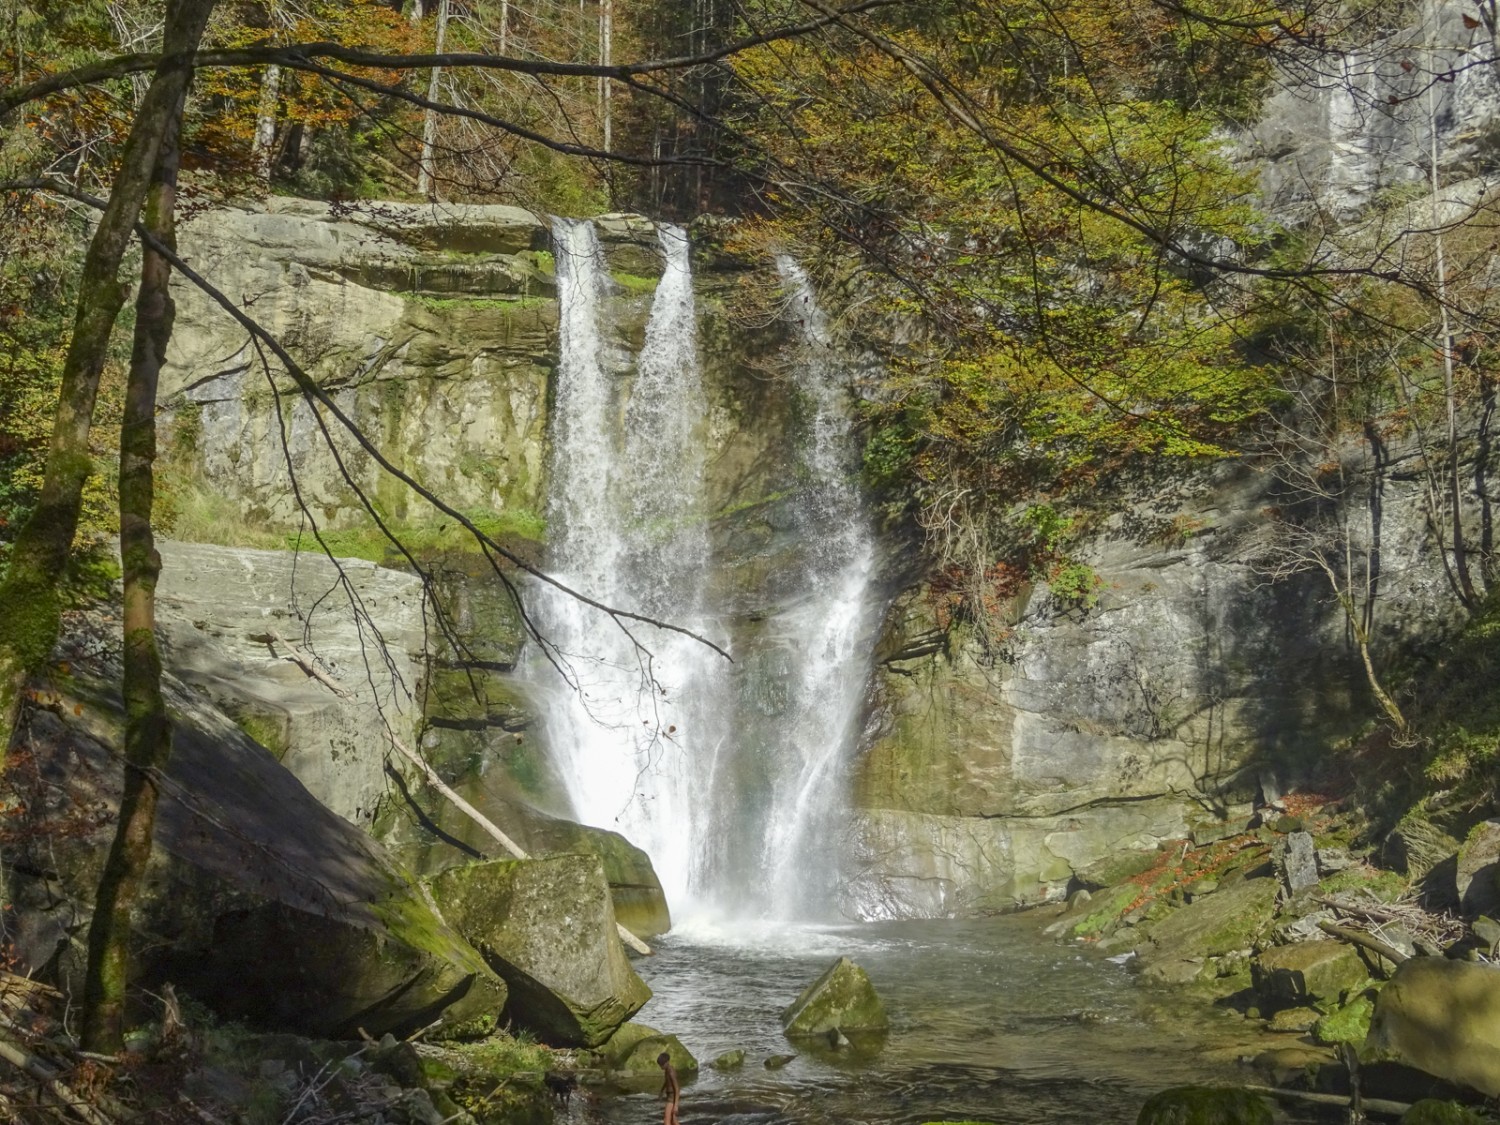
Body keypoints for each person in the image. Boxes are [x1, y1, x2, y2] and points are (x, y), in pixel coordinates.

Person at [657, 1050, 680, 1125]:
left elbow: (677, 1088)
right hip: (669, 1096)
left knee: (666, 1120)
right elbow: (666, 1081)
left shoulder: (671, 1072)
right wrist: (662, 1091)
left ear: (667, 1062)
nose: (661, 1067)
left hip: (672, 1097)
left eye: (662, 1065)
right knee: (673, 1120)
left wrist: (676, 1105)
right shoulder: (667, 1070)